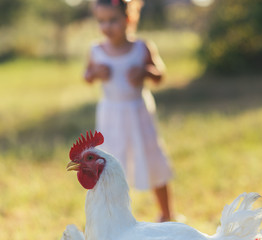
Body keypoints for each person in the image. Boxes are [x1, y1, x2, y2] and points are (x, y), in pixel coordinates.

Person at [84, 0, 173, 222]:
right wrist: (95, 73)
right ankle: (110, 217)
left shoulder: (142, 47)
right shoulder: (96, 50)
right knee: (110, 163)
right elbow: (86, 77)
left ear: (129, 19)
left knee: (151, 157)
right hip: (110, 115)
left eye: (112, 20)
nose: (107, 26)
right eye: (101, 21)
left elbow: (160, 74)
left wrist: (145, 71)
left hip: (137, 112)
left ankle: (167, 213)